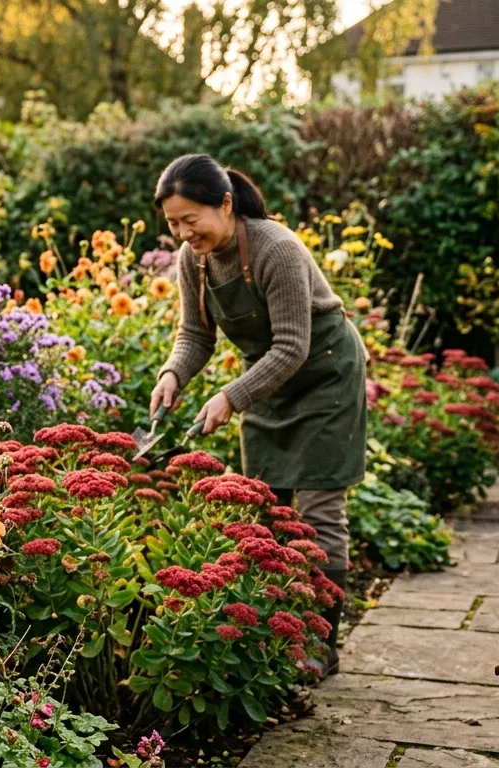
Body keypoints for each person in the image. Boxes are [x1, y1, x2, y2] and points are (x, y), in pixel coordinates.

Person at [148, 153, 367, 674]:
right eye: (173, 223)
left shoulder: (276, 248)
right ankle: (276, 633)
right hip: (268, 383)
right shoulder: (192, 259)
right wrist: (172, 374)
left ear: (224, 204)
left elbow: (292, 345)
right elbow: (195, 335)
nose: (182, 233)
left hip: (324, 377)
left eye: (190, 220)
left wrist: (230, 397)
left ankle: (320, 646)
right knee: (268, 510)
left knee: (317, 511)